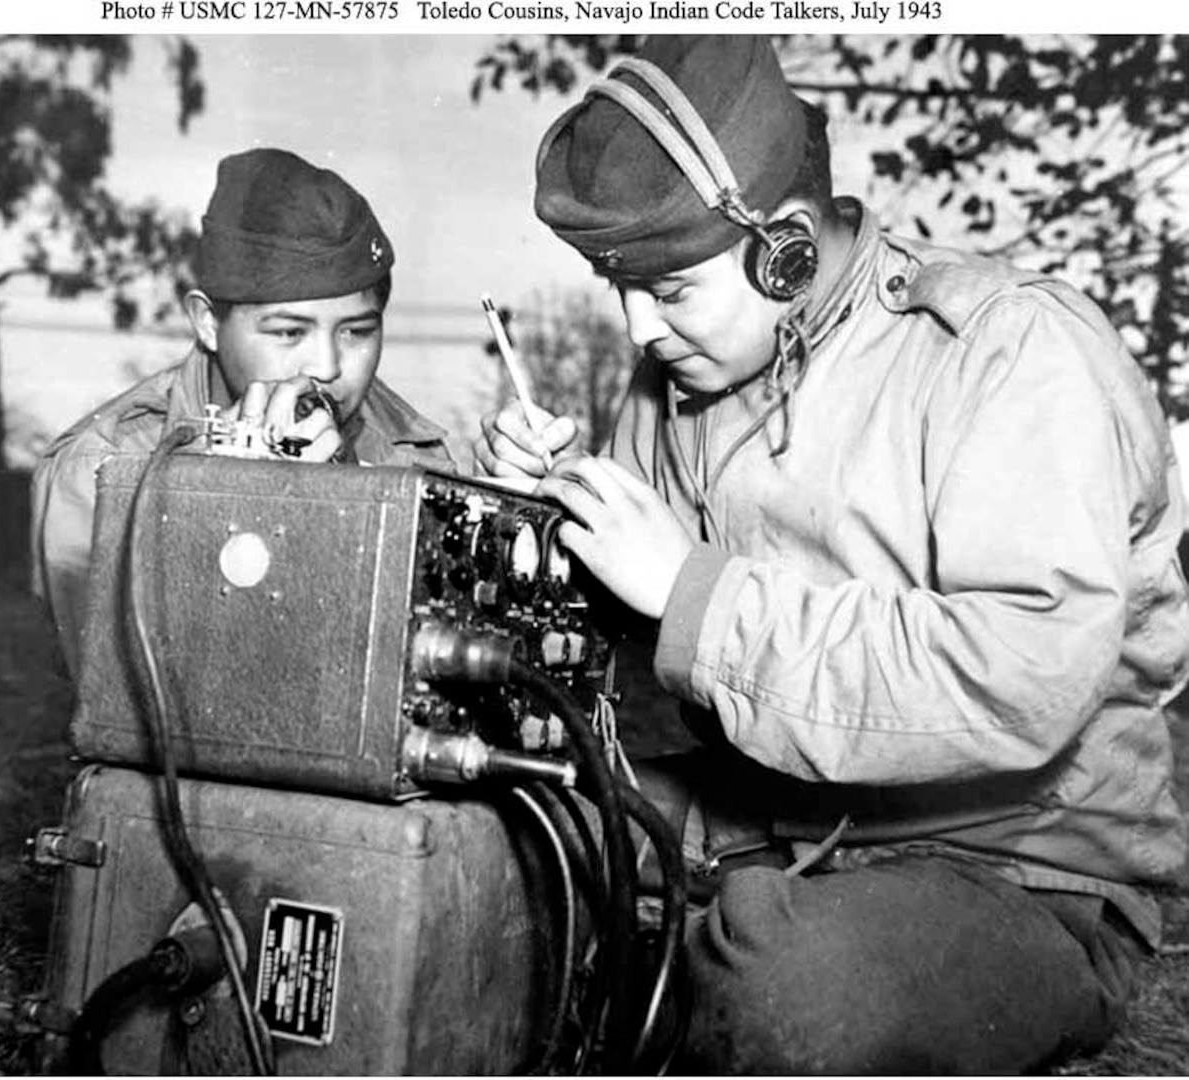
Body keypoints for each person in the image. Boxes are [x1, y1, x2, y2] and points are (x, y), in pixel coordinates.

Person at [476, 35, 1189, 1074]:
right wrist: (561, 514)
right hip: (772, 830)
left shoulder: (1002, 354)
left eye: (668, 290)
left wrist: (691, 594)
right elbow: (639, 645)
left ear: (787, 248)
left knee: (781, 986)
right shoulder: (679, 385)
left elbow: (1022, 675)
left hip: (1014, 871)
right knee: (496, 838)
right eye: (613, 286)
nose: (635, 329)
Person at [31, 148, 451, 679]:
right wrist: (208, 511)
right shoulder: (102, 469)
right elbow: (115, 702)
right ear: (208, 324)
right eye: (288, 333)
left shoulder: (411, 453)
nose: (325, 366)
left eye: (358, 332)